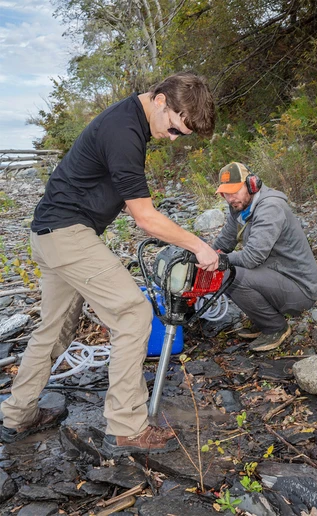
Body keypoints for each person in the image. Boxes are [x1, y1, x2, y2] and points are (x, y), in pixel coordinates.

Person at [0, 72, 219, 457]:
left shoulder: (129, 122)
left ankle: (17, 416)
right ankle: (127, 427)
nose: (172, 138)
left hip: (52, 232)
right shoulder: (123, 130)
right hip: (67, 233)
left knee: (54, 331)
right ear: (161, 100)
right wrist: (198, 245)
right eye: (174, 129)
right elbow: (145, 217)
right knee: (133, 312)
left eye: (180, 135)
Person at [214, 162, 317, 352]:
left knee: (230, 275)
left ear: (251, 184)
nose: (230, 198)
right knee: (224, 269)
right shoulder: (239, 207)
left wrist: (218, 261)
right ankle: (264, 318)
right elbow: (223, 244)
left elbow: (251, 258)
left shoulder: (270, 207)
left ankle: (275, 328)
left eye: (234, 191)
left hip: (300, 288)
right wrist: (203, 256)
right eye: (225, 194)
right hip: (275, 275)